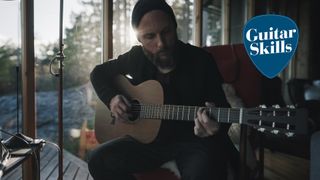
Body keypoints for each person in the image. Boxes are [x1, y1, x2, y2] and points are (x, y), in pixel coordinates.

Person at [88, 0, 238, 179]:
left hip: (193, 142)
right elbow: (98, 73)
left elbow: (222, 108)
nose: (161, 44)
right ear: (139, 39)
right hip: (147, 144)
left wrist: (214, 128)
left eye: (166, 32)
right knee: (98, 160)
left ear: (175, 28)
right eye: (150, 37)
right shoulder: (136, 57)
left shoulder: (202, 61)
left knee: (205, 171)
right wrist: (112, 98)